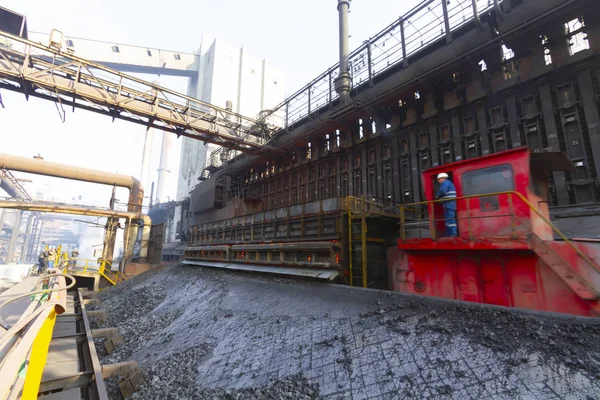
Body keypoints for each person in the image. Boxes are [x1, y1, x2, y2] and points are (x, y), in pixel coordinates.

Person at [435, 172, 457, 237]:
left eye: (438, 179)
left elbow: (443, 191)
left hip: (449, 204)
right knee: (449, 219)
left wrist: (437, 195)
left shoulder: (445, 183)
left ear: (443, 178)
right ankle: (449, 234)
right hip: (449, 203)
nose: (438, 181)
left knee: (450, 219)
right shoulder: (449, 183)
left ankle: (452, 235)